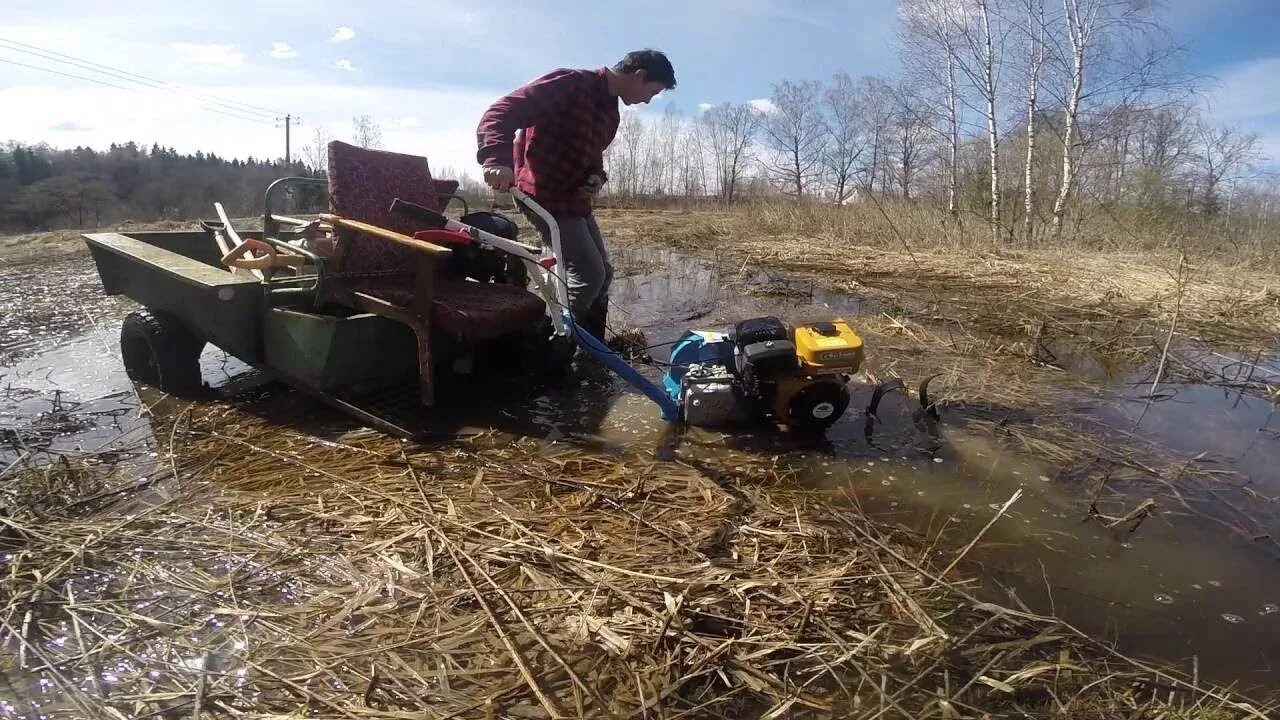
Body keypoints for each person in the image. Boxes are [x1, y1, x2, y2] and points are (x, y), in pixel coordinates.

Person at [475, 49, 677, 341]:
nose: (648, 100)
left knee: (603, 274)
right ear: (639, 76)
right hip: (542, 194)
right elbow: (501, 111)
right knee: (588, 274)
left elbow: (593, 159)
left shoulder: (610, 113)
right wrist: (495, 159)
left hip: (574, 201)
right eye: (652, 92)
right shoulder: (570, 83)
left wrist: (596, 178)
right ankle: (552, 344)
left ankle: (592, 347)